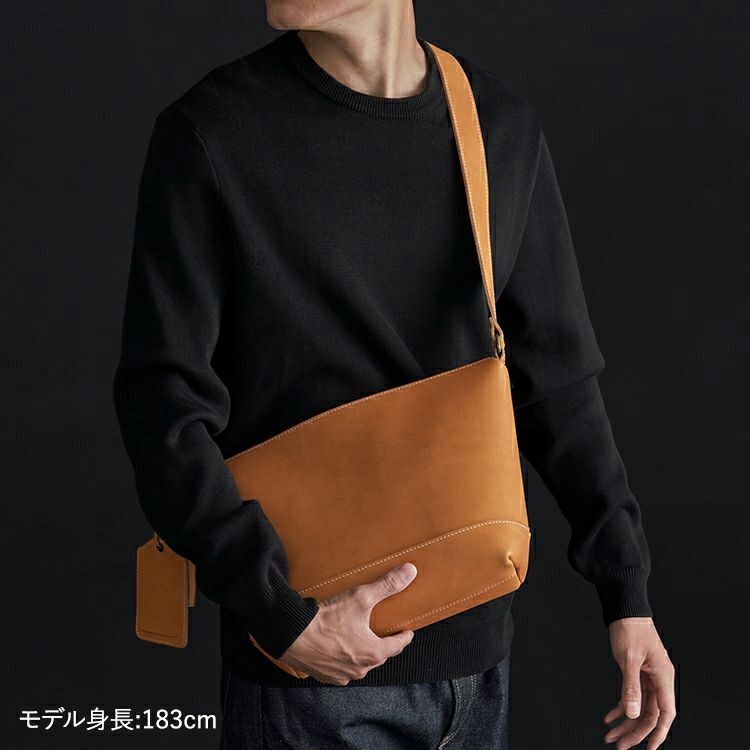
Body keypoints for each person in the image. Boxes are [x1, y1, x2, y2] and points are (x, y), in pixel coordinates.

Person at [112, 1, 677, 748]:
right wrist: (279, 615)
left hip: (478, 662)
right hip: (310, 675)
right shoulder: (214, 133)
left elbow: (558, 379)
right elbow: (162, 404)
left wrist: (627, 592)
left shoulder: (496, 127)